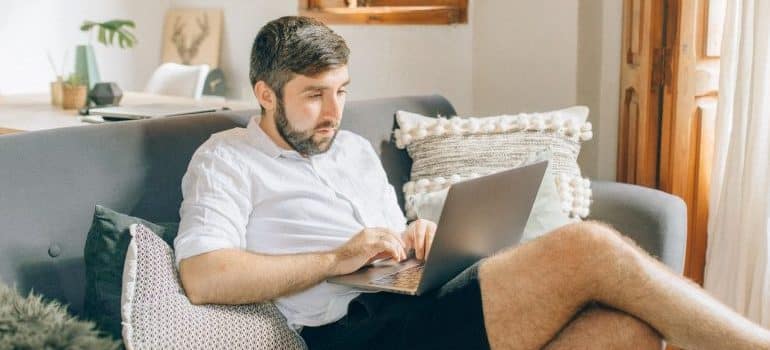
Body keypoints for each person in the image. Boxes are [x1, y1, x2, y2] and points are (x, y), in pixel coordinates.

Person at [173, 16, 770, 350]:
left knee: (626, 332)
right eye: (313, 96)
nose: (334, 111)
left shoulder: (351, 149)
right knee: (588, 246)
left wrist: (417, 235)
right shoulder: (226, 160)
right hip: (345, 337)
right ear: (265, 94)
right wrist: (334, 258)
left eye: (342, 91)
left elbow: (391, 237)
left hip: (412, 304)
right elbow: (202, 277)